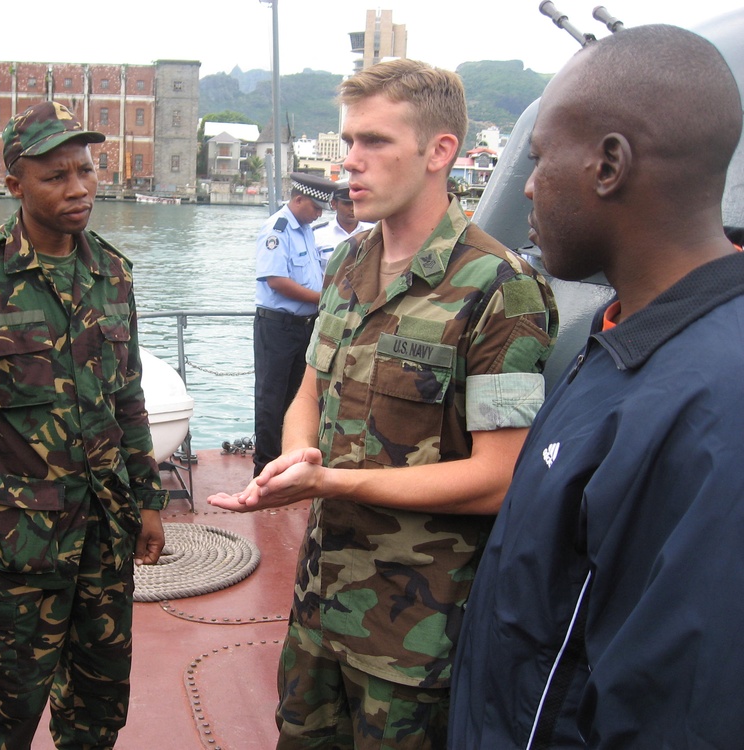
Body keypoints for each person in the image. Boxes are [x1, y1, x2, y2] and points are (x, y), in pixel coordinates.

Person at [210, 59, 558, 749]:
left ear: (439, 152)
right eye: (347, 143)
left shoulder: (499, 287)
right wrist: (298, 456)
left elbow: (499, 477)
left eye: (375, 143)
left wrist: (328, 481)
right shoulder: (348, 264)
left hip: (415, 639)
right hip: (317, 606)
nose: (349, 164)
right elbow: (309, 389)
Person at [449, 25, 744, 749]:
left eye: (543, 157)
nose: (526, 183)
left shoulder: (715, 408)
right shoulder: (627, 346)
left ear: (609, 164)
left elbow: (677, 714)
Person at [0, 101, 168, 748]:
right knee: (2, 716)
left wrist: (148, 502)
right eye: (55, 176)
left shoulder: (113, 273)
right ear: (15, 184)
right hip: (12, 547)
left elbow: (127, 399)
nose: (79, 188)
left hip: (105, 539)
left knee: (99, 709)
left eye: (86, 170)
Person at [253, 171, 336, 476]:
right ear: (298, 199)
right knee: (271, 399)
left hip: (304, 325)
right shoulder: (277, 230)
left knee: (298, 398)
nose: (318, 214)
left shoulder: (305, 230)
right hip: (277, 327)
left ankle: (289, 463)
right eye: (315, 207)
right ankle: (264, 468)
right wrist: (322, 298)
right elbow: (276, 281)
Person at [312, 182, 374, 272]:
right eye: (347, 204)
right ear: (334, 204)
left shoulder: (372, 231)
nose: (352, 208)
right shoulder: (318, 235)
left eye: (356, 203)